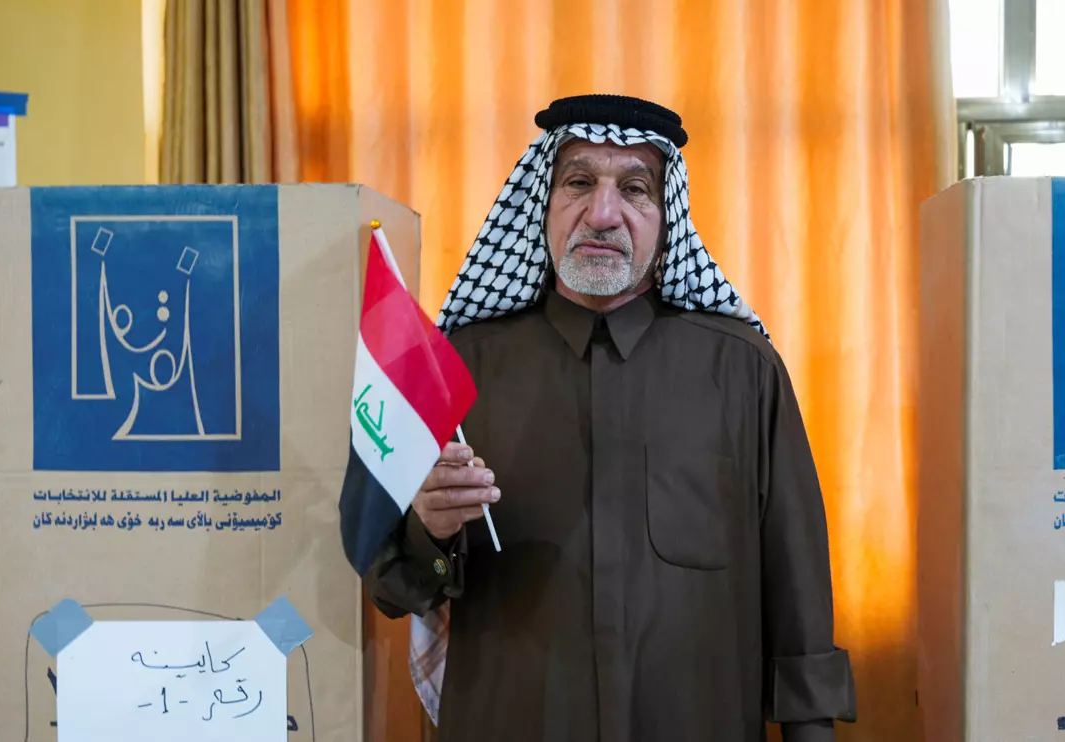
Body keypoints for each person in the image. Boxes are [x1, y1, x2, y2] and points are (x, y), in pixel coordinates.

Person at [361, 94, 855, 742]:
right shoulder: (459, 369)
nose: (602, 213)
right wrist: (428, 530)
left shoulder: (742, 370)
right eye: (578, 182)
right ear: (543, 200)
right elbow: (394, 592)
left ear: (664, 212)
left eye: (633, 188)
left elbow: (796, 593)